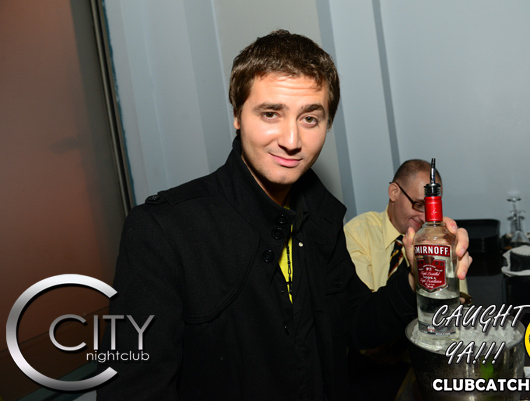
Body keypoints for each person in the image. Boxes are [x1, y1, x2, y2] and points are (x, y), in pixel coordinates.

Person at [96, 30, 471, 401]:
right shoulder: (161, 231)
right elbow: (129, 389)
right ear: (237, 115)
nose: (292, 141)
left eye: (310, 119)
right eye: (271, 114)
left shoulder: (320, 217)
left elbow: (354, 325)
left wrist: (414, 279)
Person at [344, 159, 469, 400]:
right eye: (418, 204)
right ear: (394, 192)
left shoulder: (439, 237)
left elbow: (457, 306)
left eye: (430, 205)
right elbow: (361, 316)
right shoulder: (359, 232)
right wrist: (415, 276)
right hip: (368, 372)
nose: (424, 216)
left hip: (424, 362)